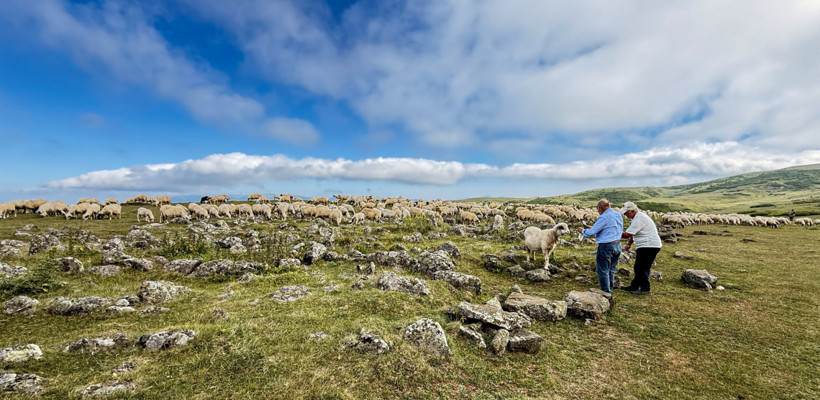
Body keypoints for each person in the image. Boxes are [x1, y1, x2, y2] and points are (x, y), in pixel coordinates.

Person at [579, 199, 623, 293]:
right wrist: (594, 227)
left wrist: (582, 231)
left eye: (598, 209)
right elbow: (611, 228)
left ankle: (605, 292)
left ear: (600, 207)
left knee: (603, 270)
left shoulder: (604, 217)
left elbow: (590, 233)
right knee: (611, 269)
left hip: (606, 246)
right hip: (617, 245)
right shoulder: (617, 214)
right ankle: (610, 288)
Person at [619, 202, 662, 295]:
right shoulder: (636, 218)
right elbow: (633, 233)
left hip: (649, 245)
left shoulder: (640, 219)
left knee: (642, 268)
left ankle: (645, 289)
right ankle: (634, 286)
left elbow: (627, 234)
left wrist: (612, 232)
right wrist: (629, 244)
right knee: (639, 267)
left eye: (626, 213)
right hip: (646, 245)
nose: (625, 215)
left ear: (632, 211)